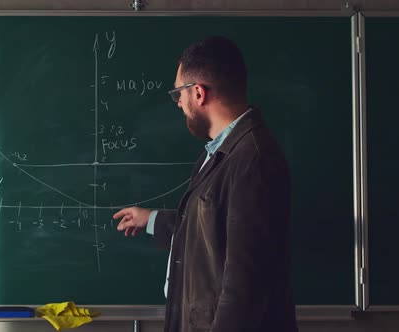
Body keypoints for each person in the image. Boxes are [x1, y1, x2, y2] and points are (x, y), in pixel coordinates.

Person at [113, 36, 298, 332]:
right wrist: (153, 219)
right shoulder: (220, 153)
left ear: (198, 93)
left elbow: (245, 286)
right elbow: (217, 228)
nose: (179, 104)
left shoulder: (254, 159)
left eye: (178, 94)